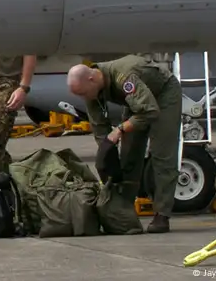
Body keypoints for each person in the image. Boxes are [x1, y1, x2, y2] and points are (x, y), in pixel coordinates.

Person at [66, 55, 183, 233]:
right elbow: (100, 131)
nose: (84, 98)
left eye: (82, 93)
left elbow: (150, 111)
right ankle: (123, 211)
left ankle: (162, 214)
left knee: (162, 154)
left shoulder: (124, 77)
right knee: (129, 155)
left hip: (163, 95)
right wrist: (107, 161)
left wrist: (120, 129)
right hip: (137, 103)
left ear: (92, 78)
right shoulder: (91, 90)